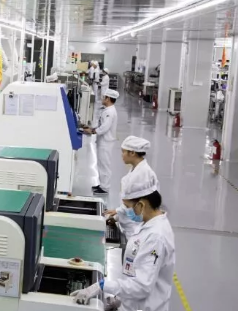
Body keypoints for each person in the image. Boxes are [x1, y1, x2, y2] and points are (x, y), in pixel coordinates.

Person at [71, 170, 175, 311]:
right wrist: (118, 300)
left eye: (127, 207)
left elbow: (142, 286)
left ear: (141, 205)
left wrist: (102, 285)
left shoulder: (156, 237)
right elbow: (135, 273)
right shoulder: (146, 224)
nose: (124, 210)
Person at [105, 136, 160, 241]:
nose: (122, 155)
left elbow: (133, 205)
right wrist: (117, 215)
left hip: (135, 229)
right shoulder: (137, 170)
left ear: (132, 153)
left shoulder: (141, 175)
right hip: (130, 227)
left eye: (123, 152)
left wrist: (118, 213)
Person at [83, 89, 119, 195]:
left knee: (104, 165)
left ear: (108, 99)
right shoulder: (107, 110)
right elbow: (101, 125)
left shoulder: (110, 112)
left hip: (106, 142)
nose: (102, 99)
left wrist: (92, 131)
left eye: (104, 97)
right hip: (103, 141)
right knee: (101, 164)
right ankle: (102, 184)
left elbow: (104, 128)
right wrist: (91, 128)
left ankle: (105, 188)